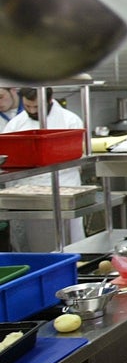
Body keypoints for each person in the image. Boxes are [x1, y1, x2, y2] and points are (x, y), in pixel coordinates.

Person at [2, 88, 85, 251]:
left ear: (49, 99)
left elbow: (79, 156)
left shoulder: (70, 121)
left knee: (69, 244)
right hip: (26, 195)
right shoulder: (15, 124)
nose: (32, 111)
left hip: (63, 189)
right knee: (31, 246)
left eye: (36, 107)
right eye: (28, 106)